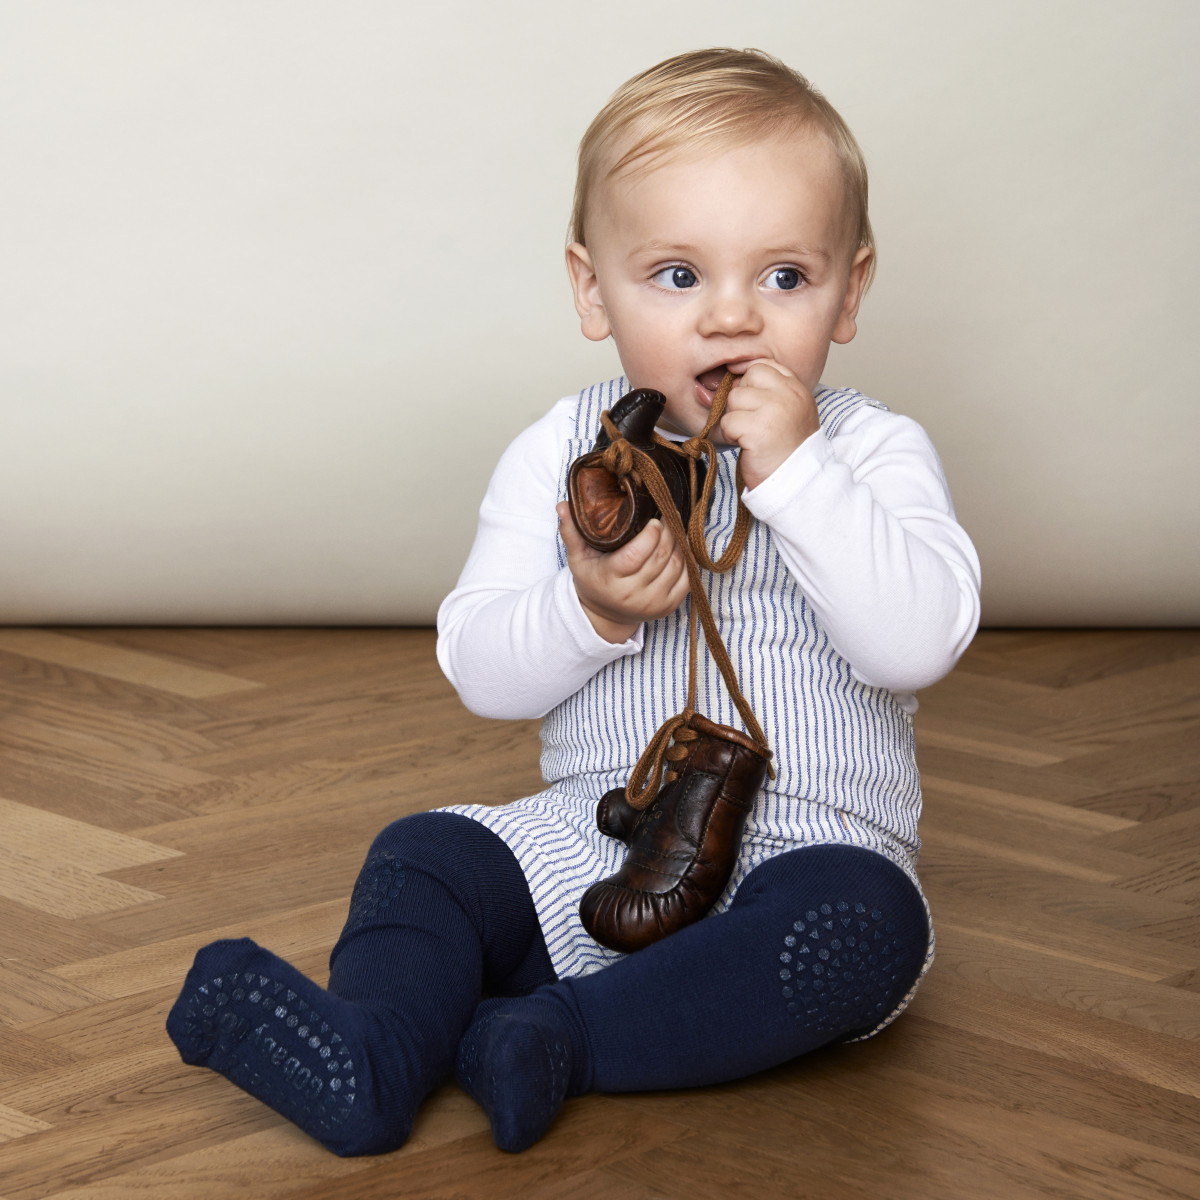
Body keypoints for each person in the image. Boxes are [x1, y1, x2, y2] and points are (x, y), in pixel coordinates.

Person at [166, 47, 981, 1157]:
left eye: (785, 277)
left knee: (861, 931)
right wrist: (589, 611)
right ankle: (377, 1048)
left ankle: (559, 1037)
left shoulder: (875, 451)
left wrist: (797, 473)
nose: (732, 319)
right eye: (678, 276)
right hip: (602, 836)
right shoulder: (560, 449)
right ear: (593, 289)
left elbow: (915, 642)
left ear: (851, 290)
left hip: (813, 847)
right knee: (426, 855)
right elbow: (480, 670)